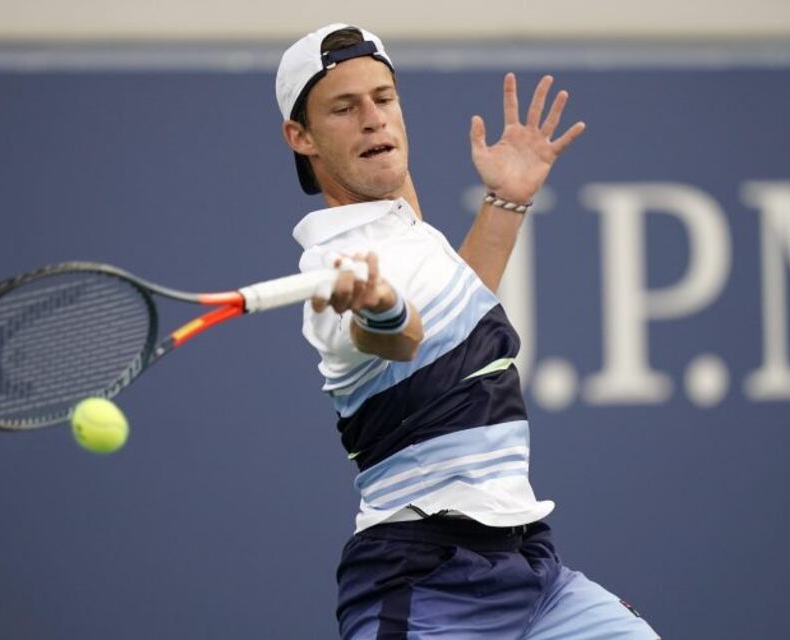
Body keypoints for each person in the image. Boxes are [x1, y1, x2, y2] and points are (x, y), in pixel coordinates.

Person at [277, 23, 660, 640]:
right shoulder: (331, 270)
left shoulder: (407, 234)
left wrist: (505, 203)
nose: (373, 119)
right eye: (344, 108)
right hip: (421, 580)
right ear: (302, 137)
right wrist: (379, 308)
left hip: (529, 567)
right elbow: (395, 340)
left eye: (383, 97)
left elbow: (457, 321)